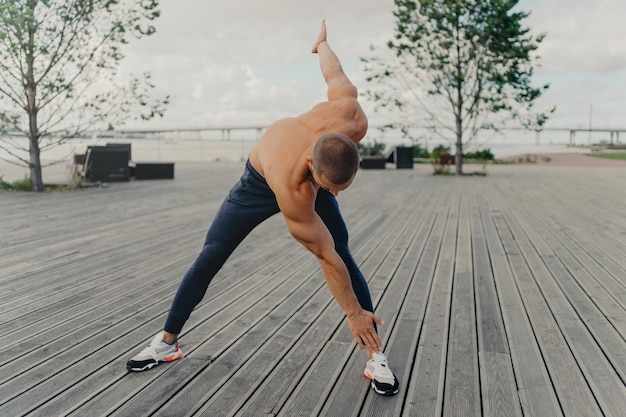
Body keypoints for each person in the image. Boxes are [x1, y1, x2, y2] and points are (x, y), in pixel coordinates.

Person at [126, 20, 399, 397]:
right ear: (310, 166)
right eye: (328, 188)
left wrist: (321, 45)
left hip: (304, 174)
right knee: (212, 255)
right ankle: (167, 341)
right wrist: (352, 313)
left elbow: (334, 73)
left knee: (346, 253)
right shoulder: (294, 187)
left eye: (341, 189)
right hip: (258, 182)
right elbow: (323, 256)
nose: (335, 194)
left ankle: (375, 357)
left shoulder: (350, 114)